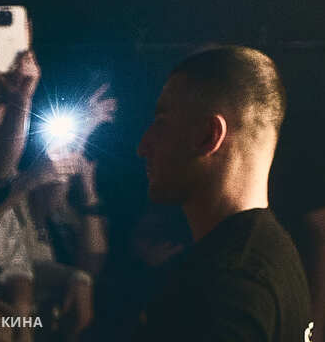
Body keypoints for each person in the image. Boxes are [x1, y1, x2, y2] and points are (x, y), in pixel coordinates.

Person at [133, 45, 312, 341]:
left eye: (162, 123)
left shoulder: (227, 289)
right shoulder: (274, 255)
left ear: (209, 136)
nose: (143, 146)